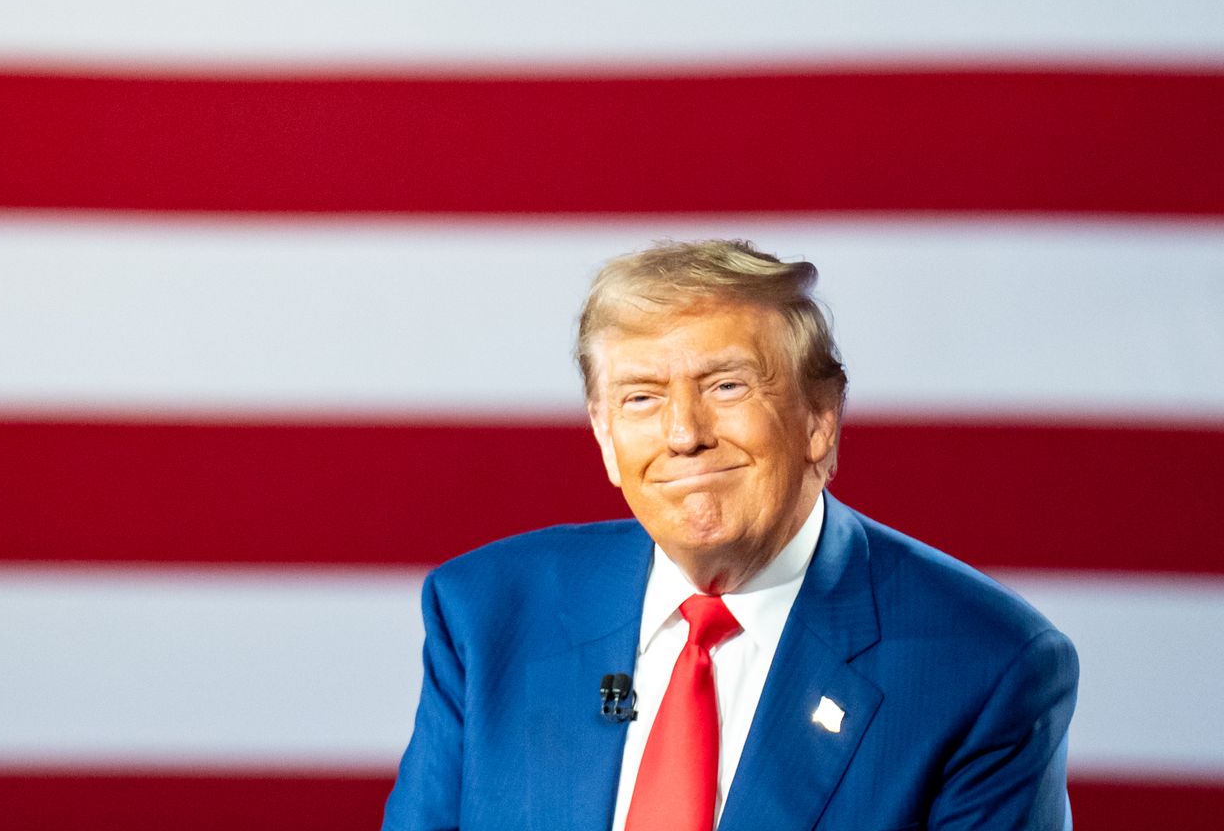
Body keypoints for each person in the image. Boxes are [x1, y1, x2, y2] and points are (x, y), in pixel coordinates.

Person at [382, 240, 1077, 831]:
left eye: (726, 386)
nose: (684, 434)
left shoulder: (985, 668)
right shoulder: (485, 612)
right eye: (642, 398)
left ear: (818, 419)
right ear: (603, 436)